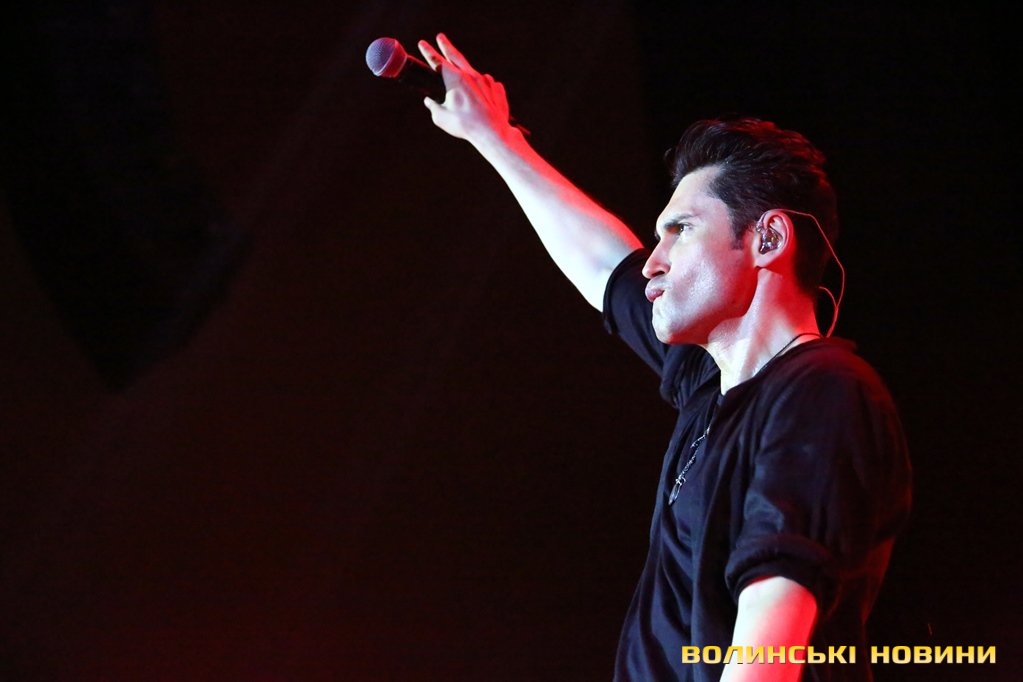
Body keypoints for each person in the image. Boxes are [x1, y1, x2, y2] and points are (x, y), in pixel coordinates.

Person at [415, 33, 912, 682]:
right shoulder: (709, 387)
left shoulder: (821, 391)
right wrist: (495, 138)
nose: (654, 262)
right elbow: (605, 267)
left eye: (680, 231)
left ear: (767, 238)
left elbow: (771, 636)